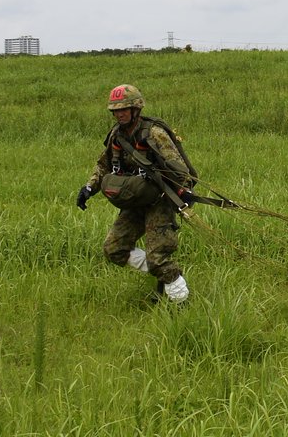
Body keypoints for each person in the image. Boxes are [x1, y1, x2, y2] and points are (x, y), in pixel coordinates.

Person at [76, 84, 197, 303]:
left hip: (160, 200)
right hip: (135, 200)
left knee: (158, 257)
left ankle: (181, 302)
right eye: (115, 110)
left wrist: (184, 192)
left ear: (136, 109)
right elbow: (104, 165)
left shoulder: (154, 133)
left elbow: (179, 168)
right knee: (114, 249)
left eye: (124, 108)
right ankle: (165, 279)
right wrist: (89, 188)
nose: (119, 113)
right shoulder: (117, 135)